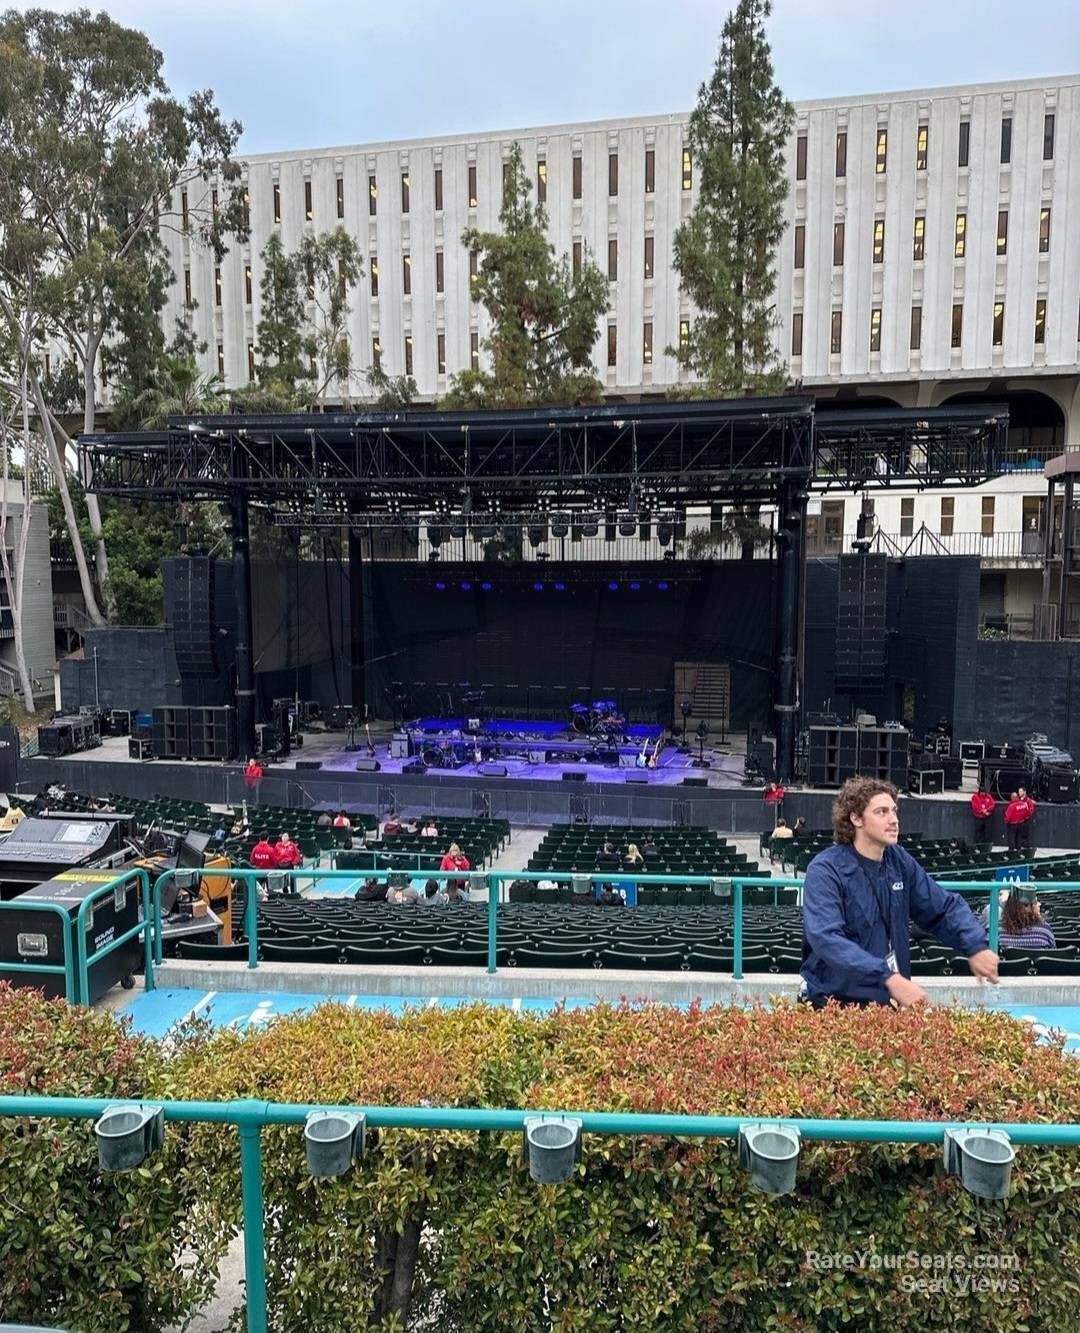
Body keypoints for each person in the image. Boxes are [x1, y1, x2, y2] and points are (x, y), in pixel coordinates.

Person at [801, 777, 998, 1009]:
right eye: (881, 812)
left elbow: (942, 908)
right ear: (855, 818)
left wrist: (975, 945)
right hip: (834, 1006)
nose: (894, 820)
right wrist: (887, 977)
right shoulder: (825, 870)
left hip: (889, 1005)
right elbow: (827, 939)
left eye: (894, 811)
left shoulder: (899, 861)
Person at [1004, 788, 1036, 854]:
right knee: (1019, 838)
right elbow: (1027, 812)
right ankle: (1018, 850)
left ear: (1012, 798)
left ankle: (1011, 852)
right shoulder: (1023, 804)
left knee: (1011, 838)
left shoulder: (1011, 806)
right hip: (1021, 823)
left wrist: (1007, 822)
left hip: (1012, 825)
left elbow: (1008, 816)